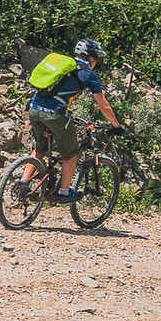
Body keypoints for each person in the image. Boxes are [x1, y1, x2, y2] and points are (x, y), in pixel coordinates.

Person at [27, 38, 122, 201]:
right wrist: (116, 126)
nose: (96, 61)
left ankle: (23, 183)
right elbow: (104, 106)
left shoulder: (64, 65)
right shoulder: (88, 73)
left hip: (34, 108)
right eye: (96, 57)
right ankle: (64, 192)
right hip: (54, 114)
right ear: (91, 57)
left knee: (40, 147)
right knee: (71, 153)